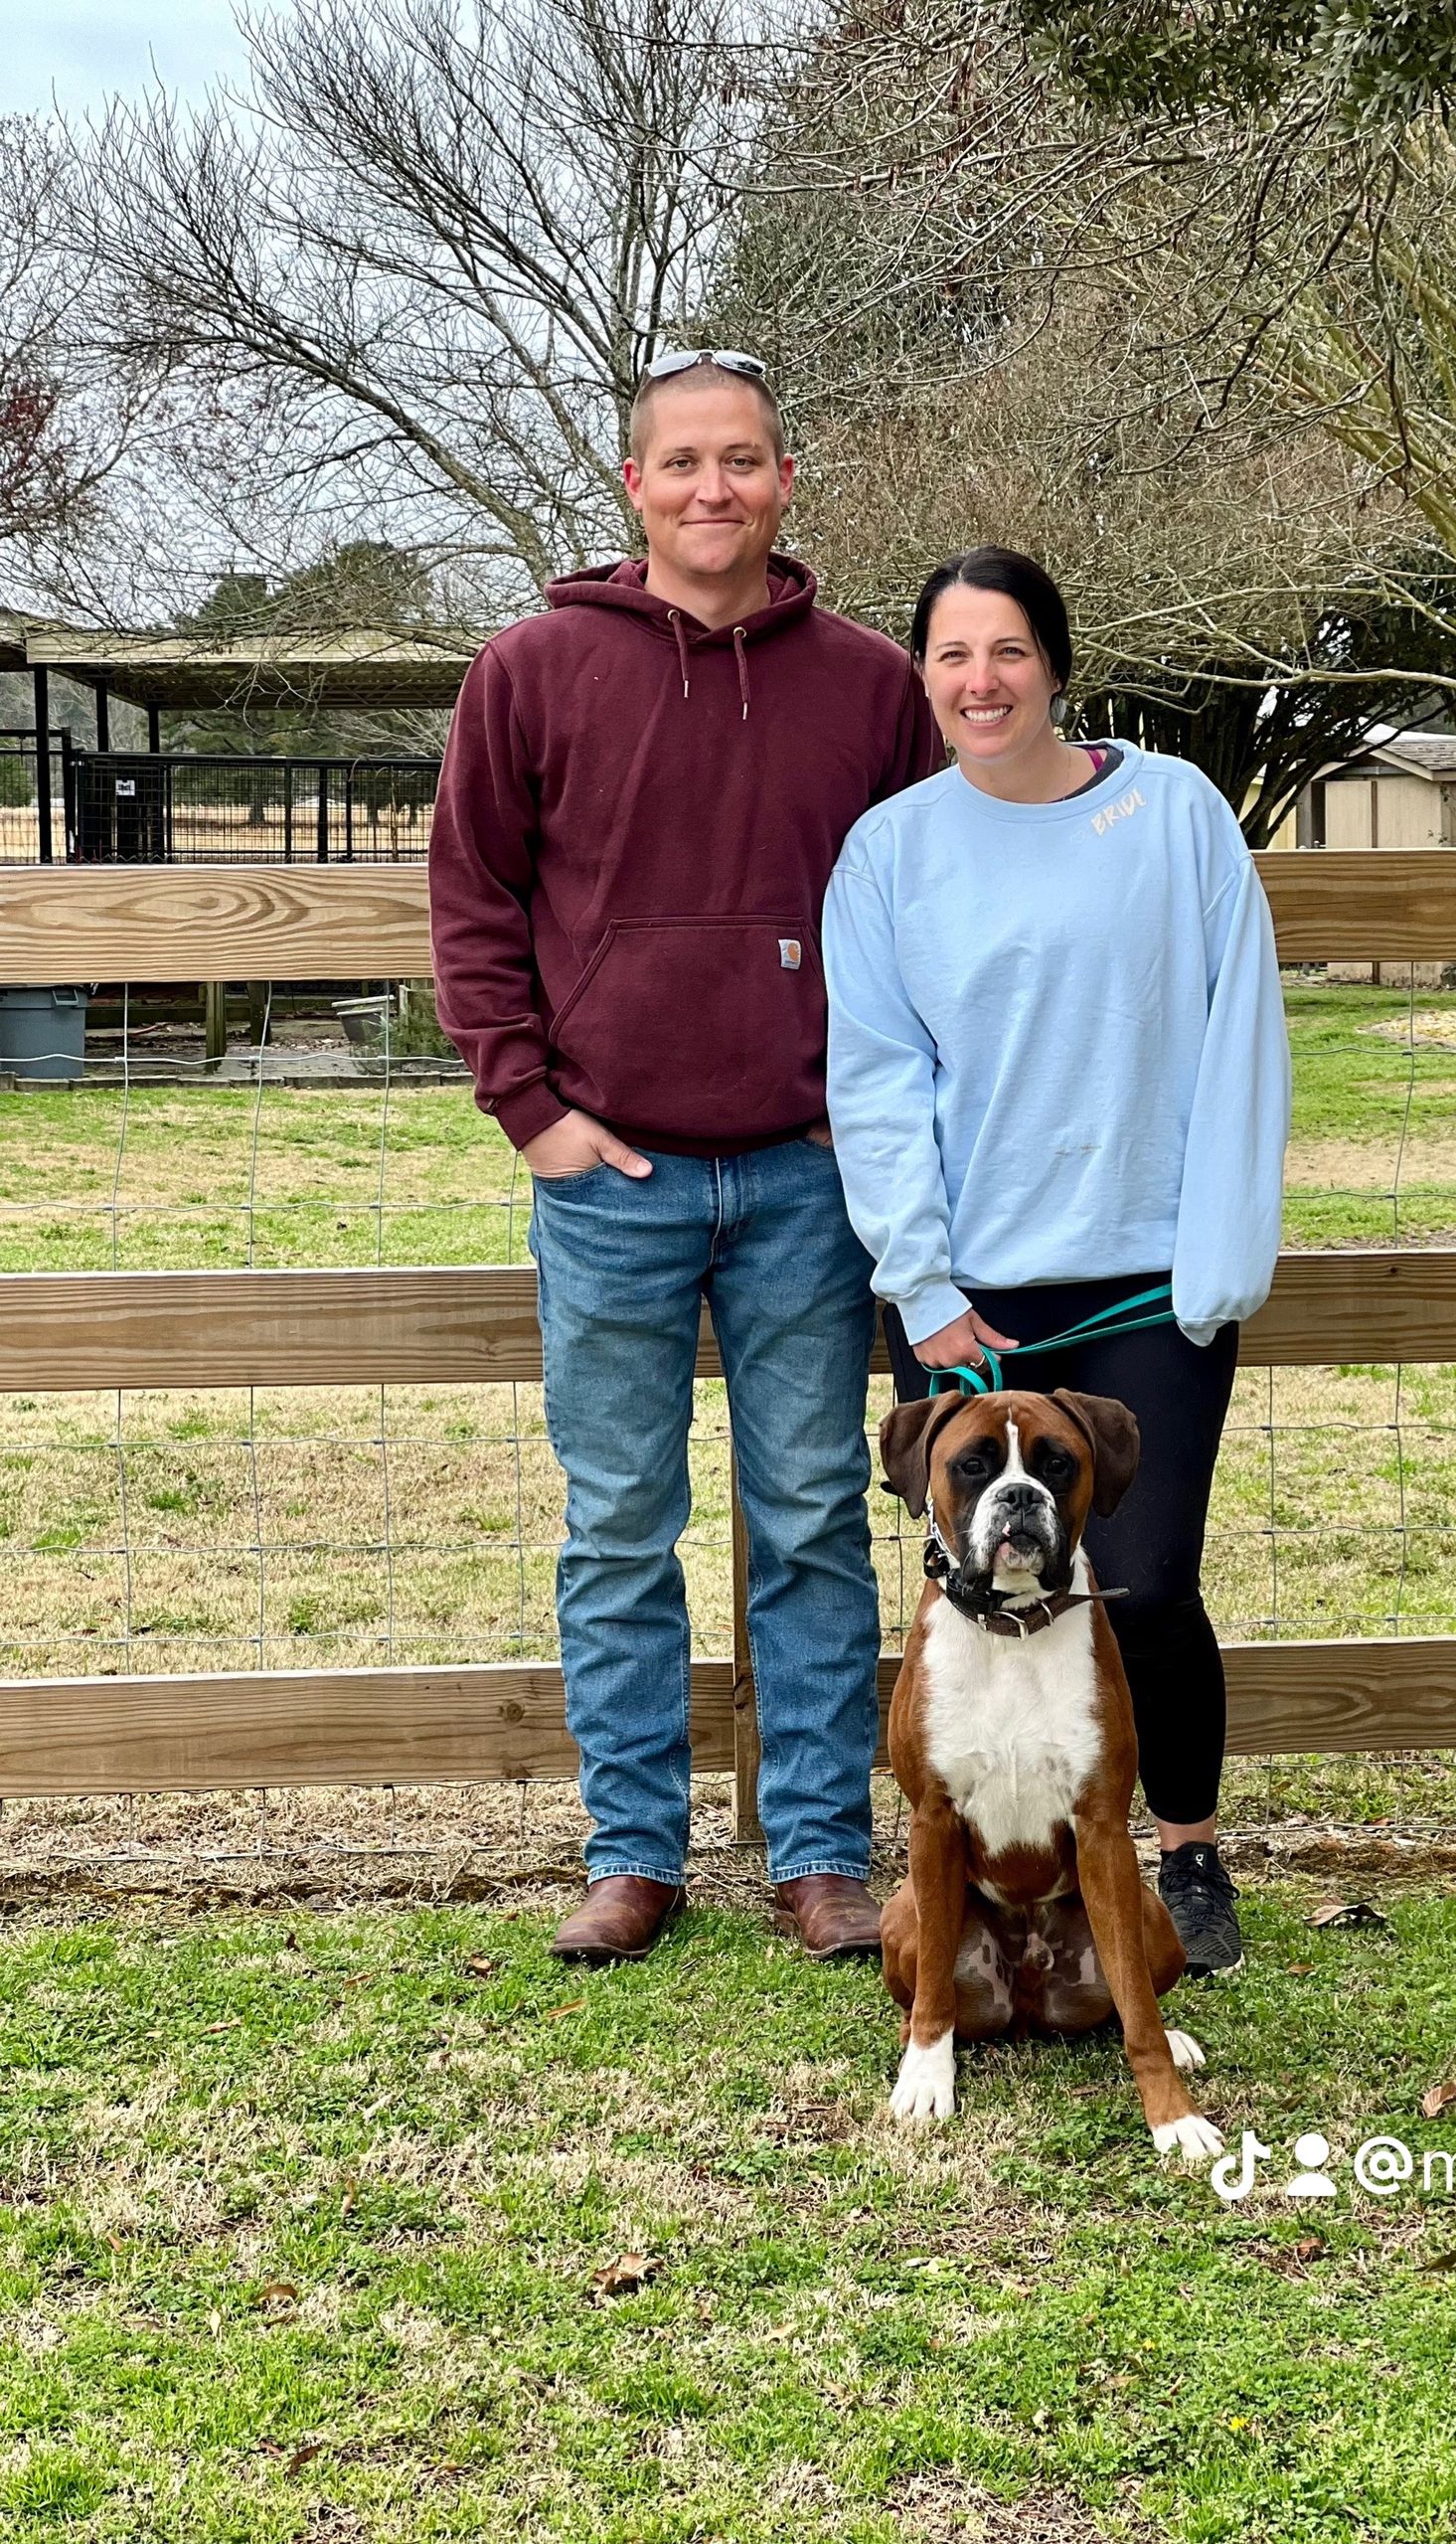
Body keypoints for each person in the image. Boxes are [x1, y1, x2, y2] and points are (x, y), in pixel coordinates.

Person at [430, 350, 943, 1966]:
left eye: (744, 461)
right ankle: (633, 1850)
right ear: (634, 486)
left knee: (807, 1517)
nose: (712, 489)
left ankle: (815, 1852)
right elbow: (472, 904)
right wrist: (532, 1107)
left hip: (807, 1179)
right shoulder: (530, 669)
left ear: (788, 481)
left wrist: (869, 1115)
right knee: (617, 1525)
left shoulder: (870, 689)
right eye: (682, 464)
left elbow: (934, 914)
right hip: (609, 1180)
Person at [820, 547, 1289, 1975]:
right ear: (924, 676)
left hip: (1151, 1278)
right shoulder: (890, 852)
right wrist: (922, 1282)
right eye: (954, 656)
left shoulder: (1176, 817)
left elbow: (1241, 1034)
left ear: (1058, 664)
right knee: (990, 1583)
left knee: (1141, 1582)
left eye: (1009, 652)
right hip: (973, 1295)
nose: (981, 681)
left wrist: (1223, 1252)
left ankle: (1188, 1851)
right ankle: (990, 1865)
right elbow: (879, 1078)